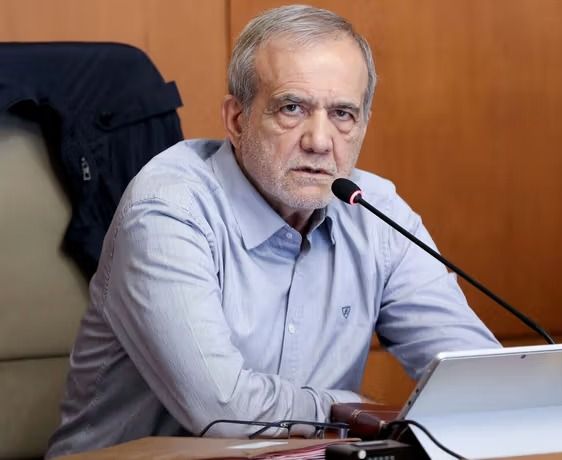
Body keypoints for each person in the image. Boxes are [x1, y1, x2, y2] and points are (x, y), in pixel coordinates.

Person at [46, 4, 500, 458]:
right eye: (292, 108)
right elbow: (221, 409)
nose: (319, 141)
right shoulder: (169, 210)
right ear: (237, 120)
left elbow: (483, 383)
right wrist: (349, 410)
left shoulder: (375, 213)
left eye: (342, 114)